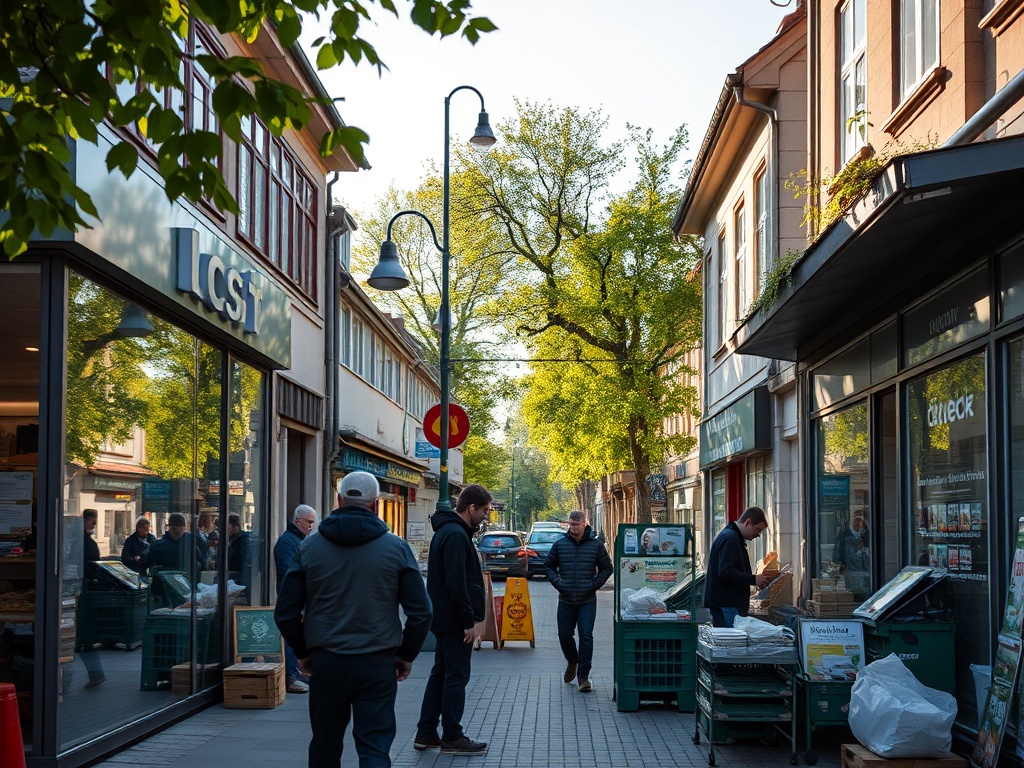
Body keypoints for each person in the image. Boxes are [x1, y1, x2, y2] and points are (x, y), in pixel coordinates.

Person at [275, 472, 431, 768]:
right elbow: (422, 611)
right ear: (375, 504)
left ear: (338, 500)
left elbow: (285, 611)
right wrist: (406, 654)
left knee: (325, 743)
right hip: (377, 662)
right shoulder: (395, 548)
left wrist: (303, 652)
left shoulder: (309, 547)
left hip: (327, 661)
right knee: (374, 746)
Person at [414, 485, 491, 755]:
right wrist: (468, 621)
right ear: (471, 508)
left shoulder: (446, 531)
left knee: (440, 673)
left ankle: (426, 732)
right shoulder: (456, 535)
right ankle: (452, 736)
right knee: (456, 676)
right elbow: (457, 583)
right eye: (483, 511)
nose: (484, 517)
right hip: (454, 620)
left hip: (443, 617)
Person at [543, 510, 613, 693]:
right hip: (566, 599)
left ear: (585, 523)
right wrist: (558, 583)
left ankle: (583, 676)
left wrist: (594, 585)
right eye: (570, 524)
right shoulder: (560, 545)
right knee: (564, 635)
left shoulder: (596, 546)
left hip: (587, 599)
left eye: (576, 524)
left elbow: (607, 568)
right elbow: (549, 566)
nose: (573, 528)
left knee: (586, 635)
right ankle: (572, 660)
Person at [274, 503, 318, 694]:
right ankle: (291, 676)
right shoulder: (288, 541)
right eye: (308, 522)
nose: (311, 526)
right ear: (298, 520)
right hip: (293, 599)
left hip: (300, 598)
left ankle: (297, 673)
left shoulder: (299, 540)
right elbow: (288, 573)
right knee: (292, 637)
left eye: (313, 522)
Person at [704, 507, 771, 628]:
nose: (758, 535)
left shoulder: (731, 537)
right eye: (758, 529)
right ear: (748, 523)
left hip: (726, 604)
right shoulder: (731, 539)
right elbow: (726, 571)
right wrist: (753, 579)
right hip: (727, 605)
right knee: (730, 642)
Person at [78, 508, 105, 688]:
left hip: (81, 590)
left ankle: (96, 674)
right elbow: (94, 565)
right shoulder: (87, 542)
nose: (93, 526)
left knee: (83, 637)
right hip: (84, 589)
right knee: (84, 636)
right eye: (93, 522)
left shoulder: (84, 541)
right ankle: (96, 674)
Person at [833, 515, 870, 594]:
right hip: (853, 571)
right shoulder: (846, 538)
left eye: (861, 521)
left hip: (862, 572)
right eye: (857, 520)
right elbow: (850, 557)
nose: (859, 524)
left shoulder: (865, 535)